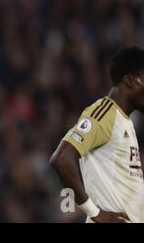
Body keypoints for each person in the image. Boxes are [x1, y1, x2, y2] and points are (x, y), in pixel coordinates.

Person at [50, 46, 144, 223]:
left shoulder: (126, 123)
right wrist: (95, 212)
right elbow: (61, 159)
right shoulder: (105, 113)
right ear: (130, 80)